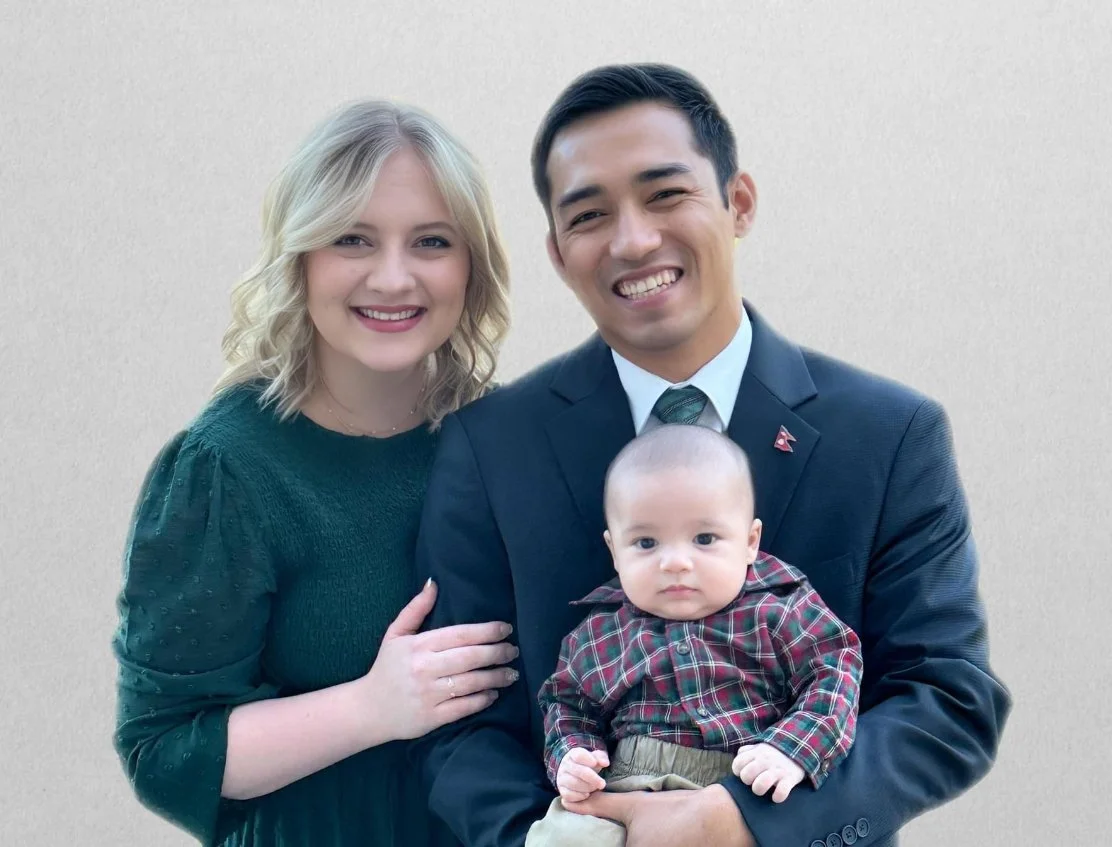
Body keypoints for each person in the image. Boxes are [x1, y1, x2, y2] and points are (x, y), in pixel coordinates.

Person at [411, 63, 1011, 847]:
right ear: (558, 252)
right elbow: (459, 723)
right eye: (589, 215)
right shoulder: (489, 446)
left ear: (739, 203)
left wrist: (742, 822)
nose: (634, 240)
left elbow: (947, 696)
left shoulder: (890, 435)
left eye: (666, 194)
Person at [111, 99, 518, 846]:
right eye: (352, 239)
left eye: (431, 241)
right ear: (300, 258)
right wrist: (372, 707)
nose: (393, 277)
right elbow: (164, 749)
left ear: (472, 266)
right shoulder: (226, 468)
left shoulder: (511, 443)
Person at [528, 424, 863, 847]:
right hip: (623, 785)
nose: (675, 562)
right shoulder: (600, 630)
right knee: (562, 837)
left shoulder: (778, 607)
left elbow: (834, 671)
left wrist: (792, 748)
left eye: (704, 538)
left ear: (750, 541)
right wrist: (572, 755)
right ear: (614, 551)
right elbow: (568, 703)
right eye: (646, 542)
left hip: (745, 782)